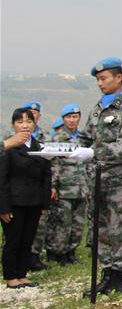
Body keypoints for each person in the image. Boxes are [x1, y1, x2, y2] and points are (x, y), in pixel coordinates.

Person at [70, 58, 122, 295]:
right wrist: (69, 149)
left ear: (118, 77)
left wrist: (93, 152)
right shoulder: (98, 108)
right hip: (97, 179)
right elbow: (85, 137)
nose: (100, 84)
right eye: (98, 80)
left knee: (117, 228)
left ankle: (118, 276)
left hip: (119, 181)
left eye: (104, 78)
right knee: (99, 229)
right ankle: (106, 272)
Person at [0, 108, 52, 289]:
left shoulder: (39, 146)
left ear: (34, 123)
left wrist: (45, 203)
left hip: (34, 201)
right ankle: (10, 276)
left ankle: (22, 274)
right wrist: (3, 207)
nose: (24, 125)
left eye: (28, 121)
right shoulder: (8, 147)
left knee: (27, 239)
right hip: (14, 202)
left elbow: (47, 176)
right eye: (20, 121)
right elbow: (2, 179)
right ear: (13, 124)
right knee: (13, 240)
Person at [46, 104, 90, 266]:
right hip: (63, 189)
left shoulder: (84, 138)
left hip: (81, 188)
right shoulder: (55, 139)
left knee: (78, 224)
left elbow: (89, 163)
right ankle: (57, 253)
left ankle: (71, 252)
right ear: (63, 119)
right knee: (61, 223)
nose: (72, 120)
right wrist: (52, 186)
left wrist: (90, 186)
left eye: (75, 117)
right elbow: (52, 164)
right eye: (68, 117)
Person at [20, 101, 50, 272]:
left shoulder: (44, 137)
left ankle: (34, 256)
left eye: (35, 113)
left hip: (38, 188)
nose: (33, 115)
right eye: (29, 112)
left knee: (39, 223)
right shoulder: (12, 137)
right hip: (20, 189)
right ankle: (15, 260)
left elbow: (49, 165)